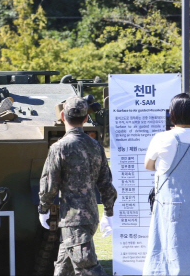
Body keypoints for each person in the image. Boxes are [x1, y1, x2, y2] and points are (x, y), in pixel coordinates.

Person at [38, 96, 117, 276]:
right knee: (63, 269)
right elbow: (106, 183)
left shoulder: (59, 148)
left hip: (73, 218)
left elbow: (49, 184)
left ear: (63, 116)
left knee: (87, 268)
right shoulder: (96, 146)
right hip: (89, 216)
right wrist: (108, 212)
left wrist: (43, 208)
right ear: (85, 119)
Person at [143, 93, 190, 275]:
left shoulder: (163, 138)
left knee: (167, 253)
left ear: (173, 113)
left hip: (170, 205)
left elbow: (148, 165)